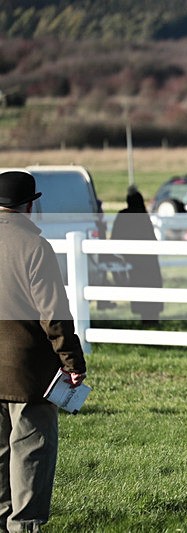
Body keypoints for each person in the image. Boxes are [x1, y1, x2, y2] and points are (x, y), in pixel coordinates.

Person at [0, 169, 87, 532]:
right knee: (32, 452)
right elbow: (53, 315)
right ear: (30, 206)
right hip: (28, 371)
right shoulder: (34, 247)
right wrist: (72, 361)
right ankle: (25, 525)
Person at [109, 185, 164, 324]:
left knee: (141, 287)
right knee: (150, 286)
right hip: (148, 261)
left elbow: (115, 237)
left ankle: (146, 318)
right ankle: (152, 318)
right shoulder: (142, 215)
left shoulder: (124, 216)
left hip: (135, 260)